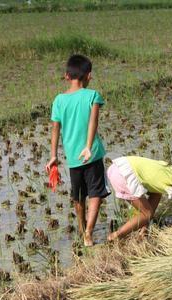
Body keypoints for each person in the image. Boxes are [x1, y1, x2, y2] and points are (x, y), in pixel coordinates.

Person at [46, 54, 110, 247]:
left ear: (67, 76)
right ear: (89, 76)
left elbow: (55, 128)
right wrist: (89, 147)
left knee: (78, 196)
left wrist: (53, 156)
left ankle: (82, 230)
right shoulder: (92, 96)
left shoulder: (59, 100)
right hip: (92, 155)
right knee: (96, 193)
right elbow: (94, 121)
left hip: (74, 157)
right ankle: (89, 232)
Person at [106, 156, 172, 241]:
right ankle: (116, 236)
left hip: (119, 165)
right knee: (146, 213)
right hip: (123, 175)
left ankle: (143, 232)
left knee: (156, 194)